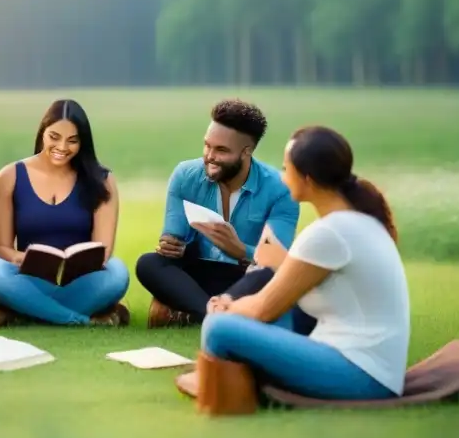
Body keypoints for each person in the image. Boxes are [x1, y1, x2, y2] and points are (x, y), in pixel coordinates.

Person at [197, 125, 410, 406]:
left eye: (287, 170)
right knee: (276, 309)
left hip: (361, 374)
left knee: (218, 328)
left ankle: (230, 385)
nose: (283, 178)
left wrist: (225, 308)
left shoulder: (329, 233)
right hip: (364, 362)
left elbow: (262, 307)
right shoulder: (358, 221)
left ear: (307, 179)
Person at [135, 99, 302, 329]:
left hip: (246, 277)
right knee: (149, 264)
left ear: (247, 152)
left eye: (221, 150)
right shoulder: (186, 175)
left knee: (274, 279)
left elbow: (277, 262)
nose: (210, 156)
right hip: (198, 272)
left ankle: (192, 310)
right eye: (207, 145)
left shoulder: (280, 190)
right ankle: (216, 315)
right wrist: (173, 246)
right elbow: (175, 239)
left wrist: (240, 250)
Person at [0, 98, 131, 327]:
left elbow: (104, 249)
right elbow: (1, 248)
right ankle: (80, 319)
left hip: (80, 280)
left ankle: (23, 310)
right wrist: (19, 258)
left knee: (118, 273)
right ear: (43, 132)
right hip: (30, 278)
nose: (62, 148)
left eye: (72, 141)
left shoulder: (102, 180)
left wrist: (80, 265)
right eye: (54, 137)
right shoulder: (10, 176)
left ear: (83, 142)